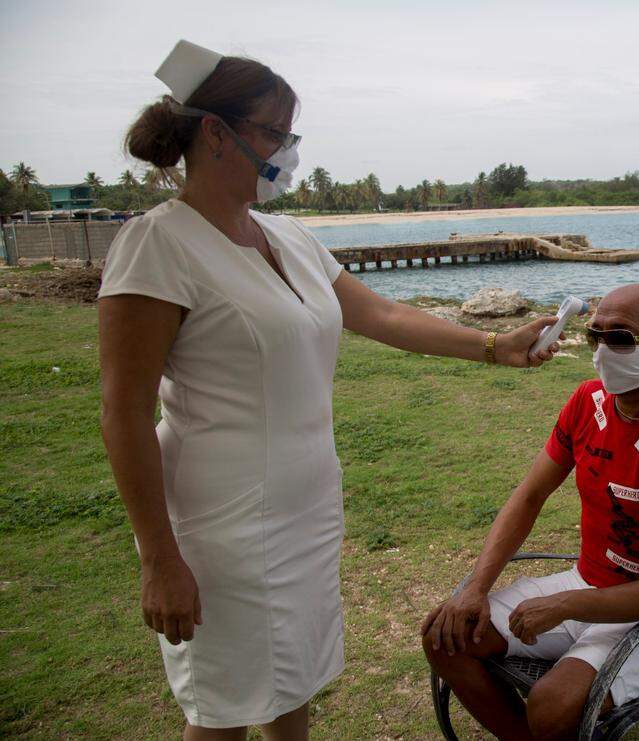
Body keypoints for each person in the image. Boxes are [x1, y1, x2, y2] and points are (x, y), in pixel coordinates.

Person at [98, 40, 560, 740]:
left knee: (294, 681)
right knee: (224, 705)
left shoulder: (289, 239)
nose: (288, 149)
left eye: (291, 133)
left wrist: (495, 345)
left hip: (306, 510)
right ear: (216, 133)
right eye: (275, 133)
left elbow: (383, 314)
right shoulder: (157, 246)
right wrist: (161, 557)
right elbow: (124, 412)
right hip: (217, 527)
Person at [421, 283, 639, 740]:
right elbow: (529, 496)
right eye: (594, 336)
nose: (603, 351)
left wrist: (566, 605)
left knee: (552, 704)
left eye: (620, 338)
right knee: (445, 636)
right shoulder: (587, 402)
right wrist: (476, 588)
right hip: (588, 582)